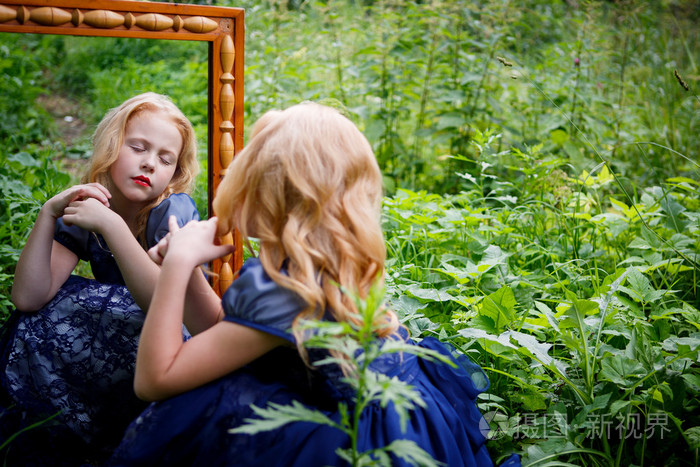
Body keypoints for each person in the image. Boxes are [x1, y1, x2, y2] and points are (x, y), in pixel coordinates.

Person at [108, 103, 520, 466]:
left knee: (210, 401)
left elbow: (154, 381)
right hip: (401, 412)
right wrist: (191, 269)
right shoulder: (311, 266)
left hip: (357, 438)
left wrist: (178, 263)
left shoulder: (286, 287)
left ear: (275, 194)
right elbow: (223, 334)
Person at [0, 92, 211, 465]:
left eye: (165, 159)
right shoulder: (95, 204)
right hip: (118, 345)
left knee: (105, 304)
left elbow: (166, 305)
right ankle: (60, 428)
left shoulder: (172, 210)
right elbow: (28, 297)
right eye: (138, 147)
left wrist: (112, 227)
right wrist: (48, 214)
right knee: (37, 317)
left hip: (171, 340)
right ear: (113, 146)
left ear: (175, 172)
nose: (149, 164)